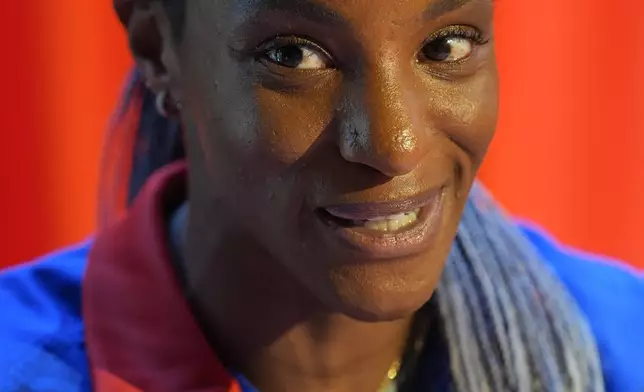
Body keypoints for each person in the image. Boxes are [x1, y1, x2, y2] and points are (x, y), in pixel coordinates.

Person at [1, 0, 643, 390]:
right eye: (293, 56)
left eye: (445, 45)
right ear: (158, 49)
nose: (394, 144)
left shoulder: (619, 344)